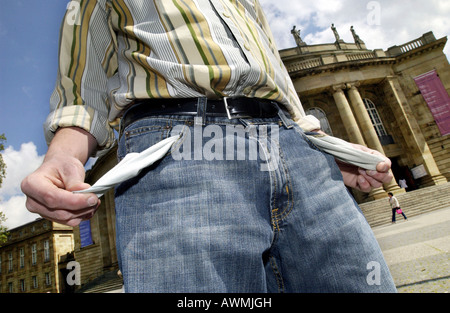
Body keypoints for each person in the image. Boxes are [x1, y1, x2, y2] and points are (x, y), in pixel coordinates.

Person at [21, 0, 396, 293]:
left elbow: (276, 73)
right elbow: (81, 84)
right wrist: (64, 154)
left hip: (292, 146)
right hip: (181, 150)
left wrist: (318, 142)